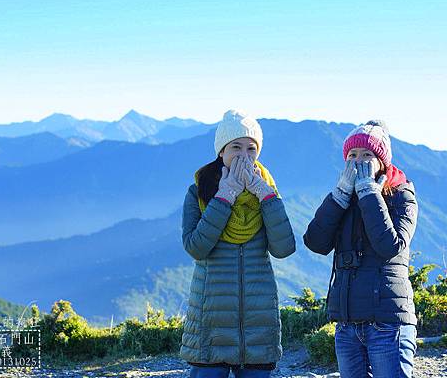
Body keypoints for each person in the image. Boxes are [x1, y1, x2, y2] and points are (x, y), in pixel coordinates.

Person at [180, 109, 296, 378]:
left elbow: (284, 248)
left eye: (251, 148)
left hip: (258, 324)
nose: (244, 155)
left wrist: (265, 195)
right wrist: (225, 195)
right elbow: (196, 246)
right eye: (236, 147)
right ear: (221, 151)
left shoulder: (266, 191)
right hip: (211, 323)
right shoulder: (199, 190)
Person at [303, 120, 419, 378]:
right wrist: (339, 197)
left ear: (382, 162)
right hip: (347, 325)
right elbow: (315, 242)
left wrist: (369, 193)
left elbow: (390, 246)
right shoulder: (343, 197)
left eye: (367, 155)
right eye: (352, 155)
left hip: (388, 324)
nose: (358, 161)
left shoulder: (401, 195)